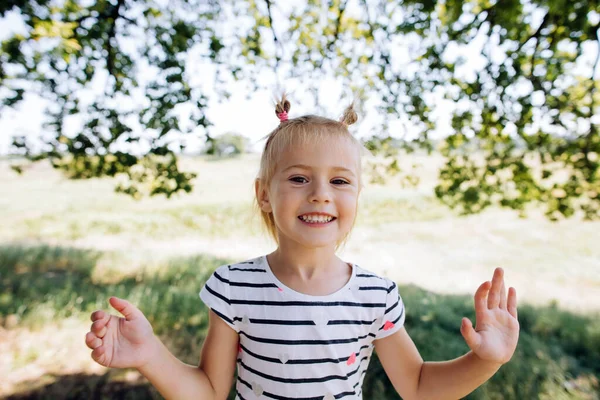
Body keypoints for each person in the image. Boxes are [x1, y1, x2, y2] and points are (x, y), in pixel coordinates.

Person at [85, 95, 520, 400]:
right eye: (298, 178)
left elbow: (420, 387)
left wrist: (486, 361)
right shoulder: (234, 287)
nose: (320, 194)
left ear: (357, 195)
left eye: (340, 181)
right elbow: (210, 392)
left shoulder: (375, 296)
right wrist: (149, 356)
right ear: (264, 194)